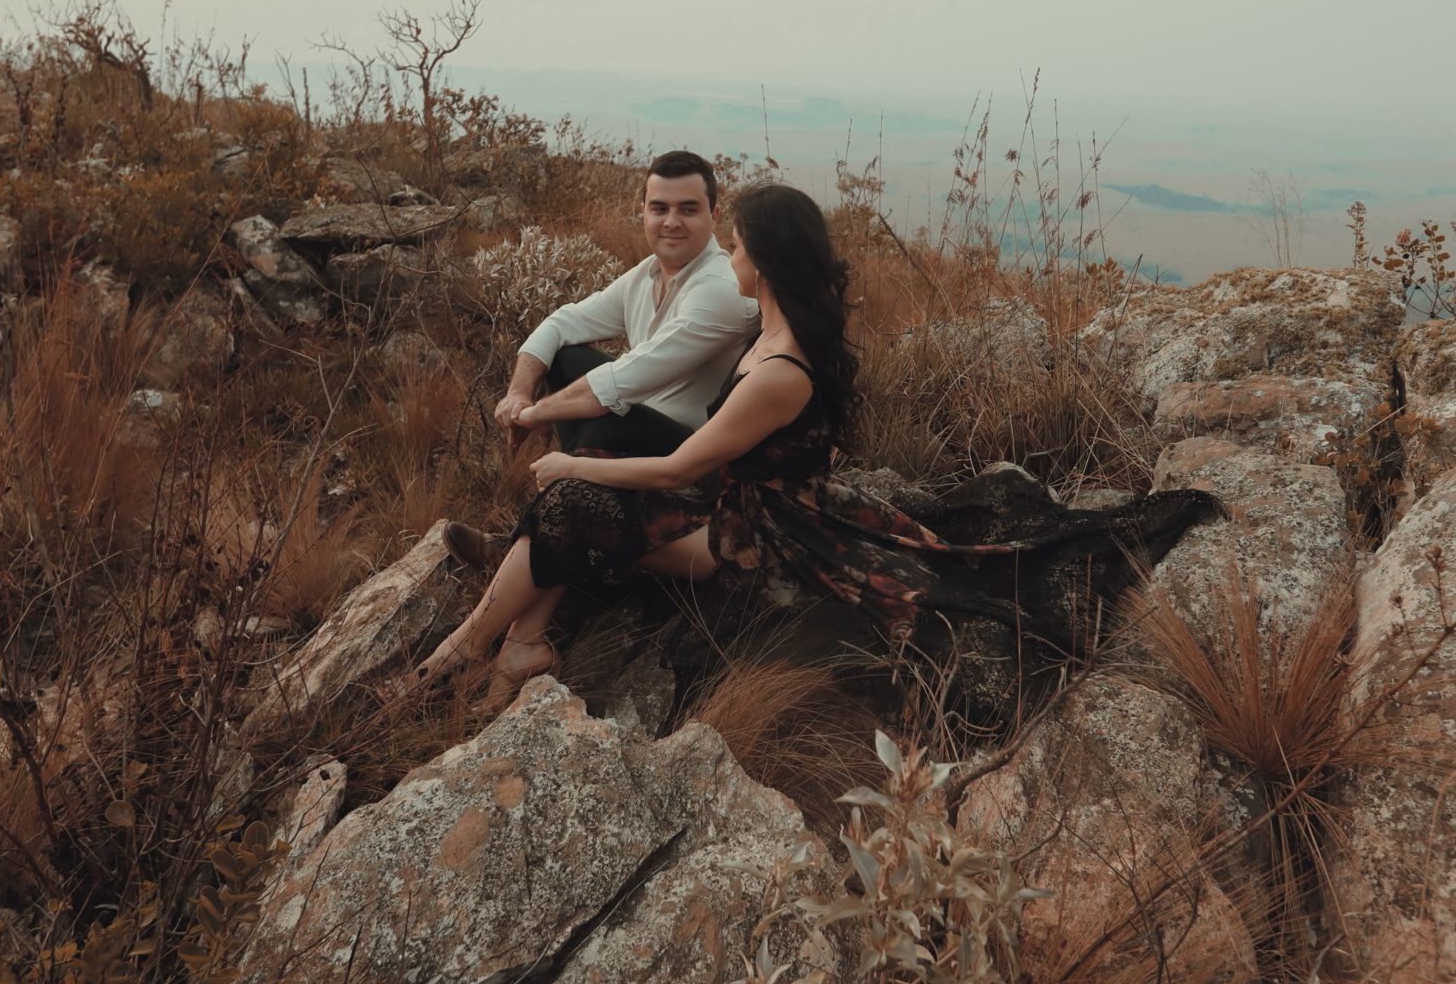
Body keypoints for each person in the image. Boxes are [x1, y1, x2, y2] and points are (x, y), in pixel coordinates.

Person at [417, 183, 1218, 703]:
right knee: (582, 489)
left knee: (571, 496)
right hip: (738, 501)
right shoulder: (769, 330)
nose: (727, 256)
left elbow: (684, 464)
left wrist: (562, 457)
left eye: (736, 245)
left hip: (750, 540)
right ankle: (517, 643)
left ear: (764, 262)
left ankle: (456, 656)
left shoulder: (779, 369)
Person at [444, 150, 757, 569]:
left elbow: (625, 379)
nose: (671, 222)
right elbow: (562, 323)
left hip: (692, 459)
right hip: (644, 429)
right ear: (643, 211)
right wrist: (519, 392)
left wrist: (535, 414)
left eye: (688, 209)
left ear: (713, 215)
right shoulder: (647, 273)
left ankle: (526, 542)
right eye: (659, 208)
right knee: (565, 356)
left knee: (608, 417)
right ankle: (566, 513)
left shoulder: (719, 289)